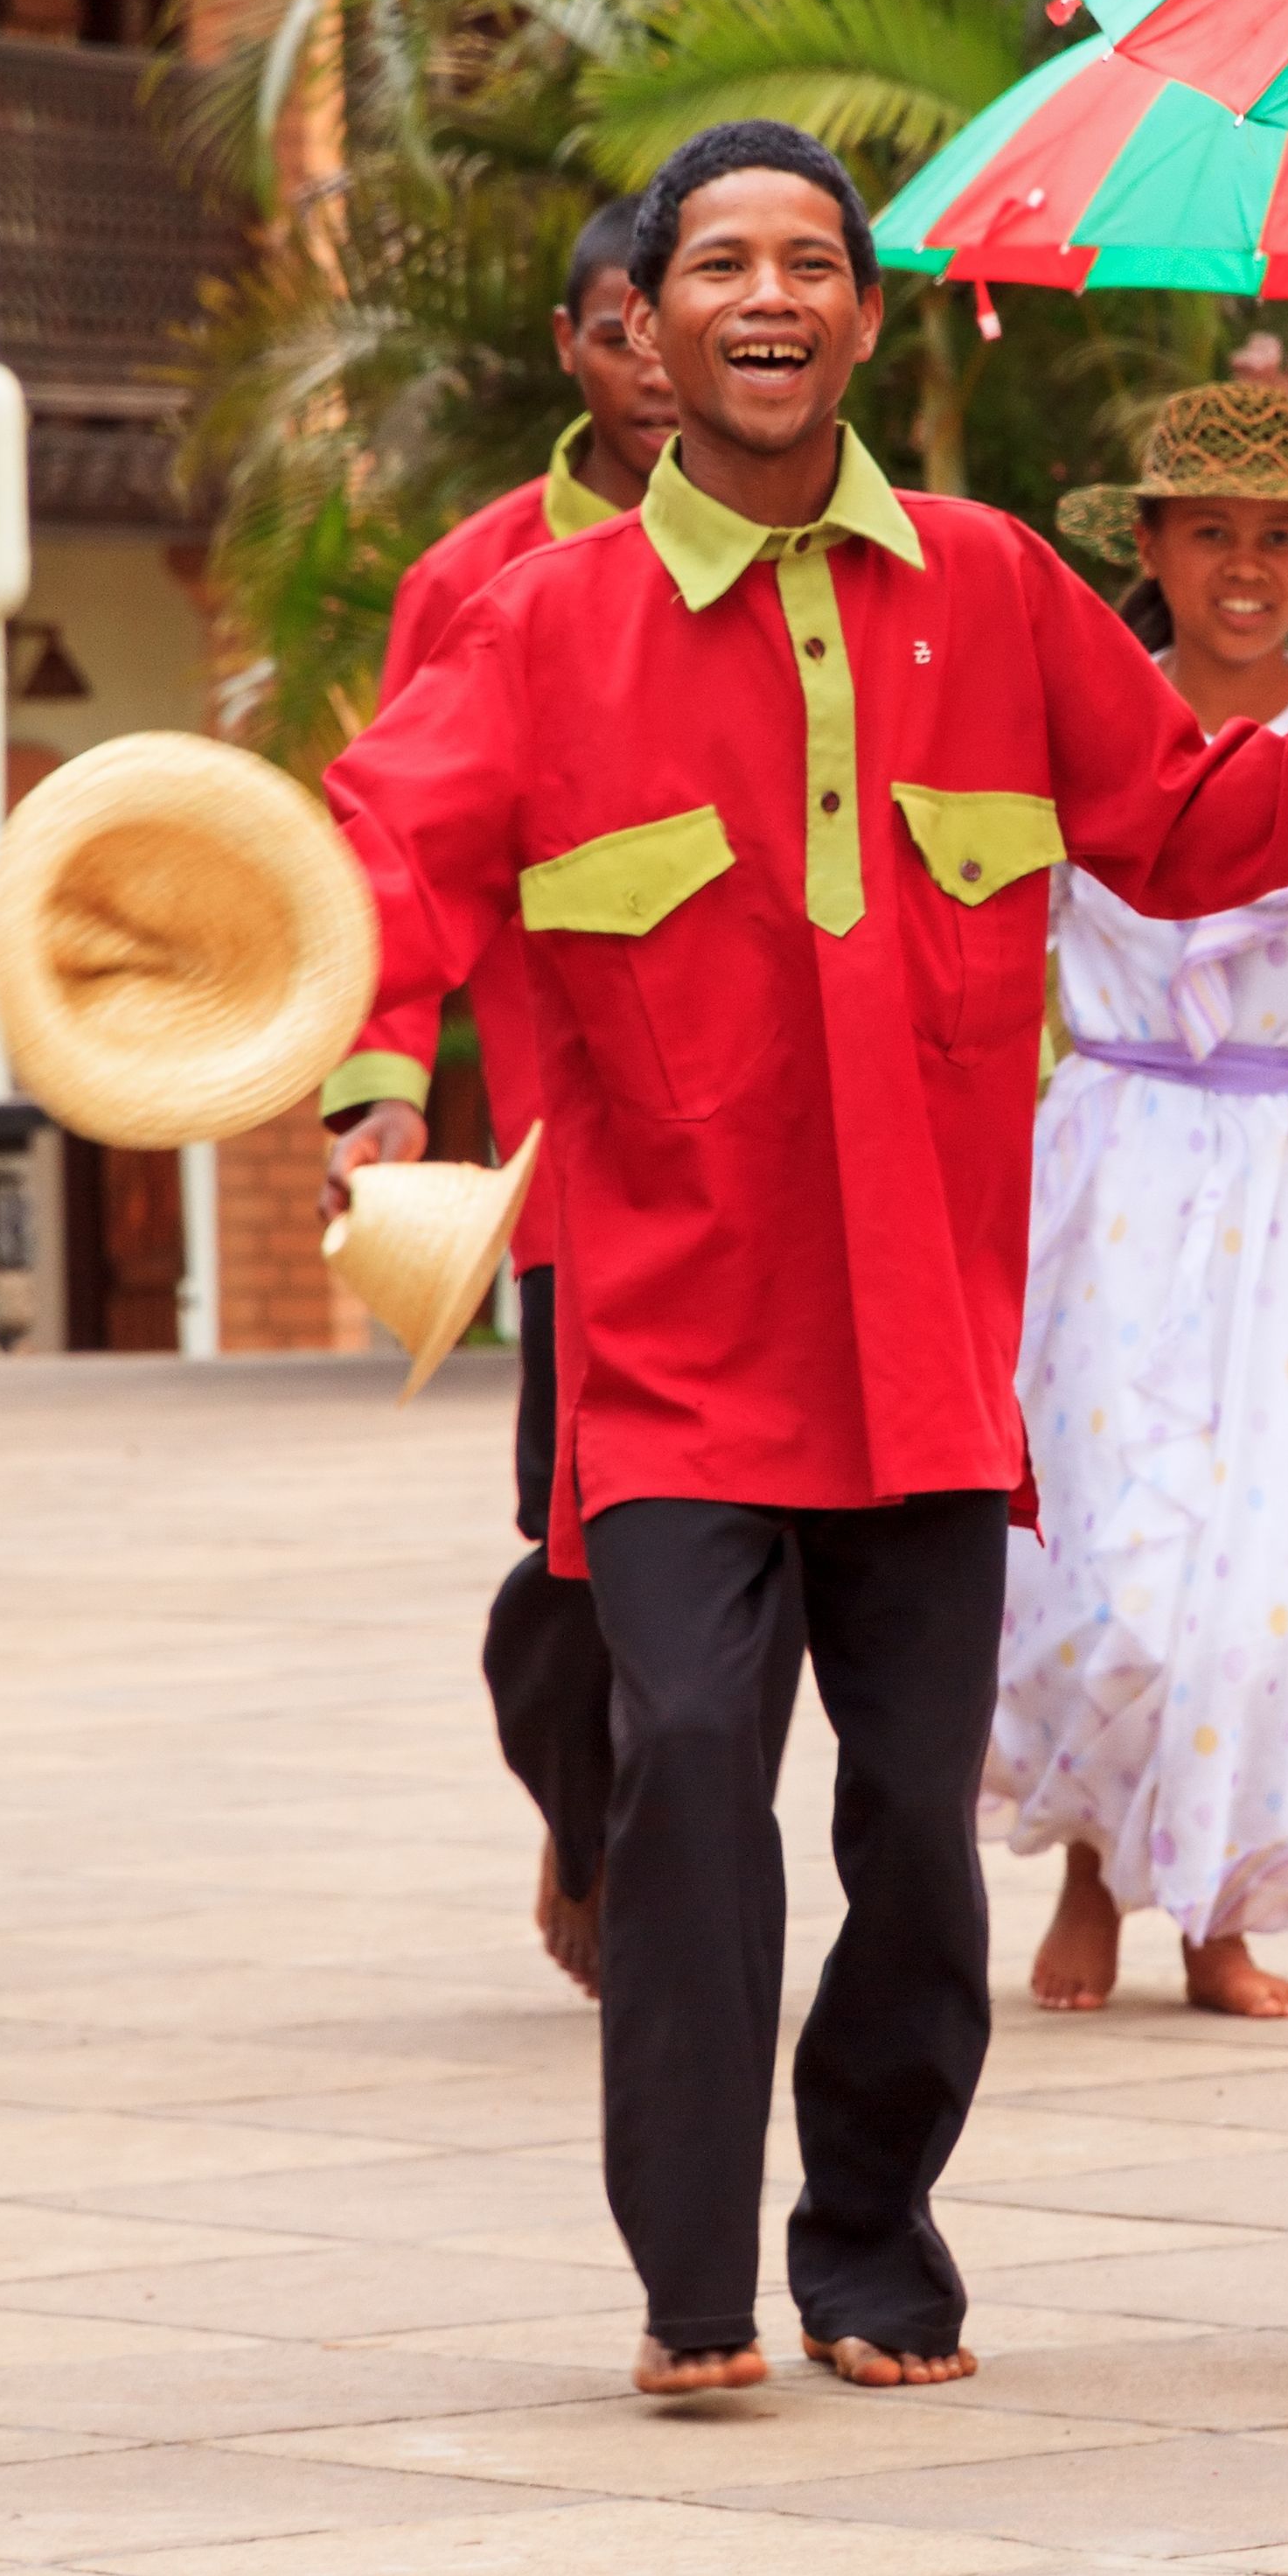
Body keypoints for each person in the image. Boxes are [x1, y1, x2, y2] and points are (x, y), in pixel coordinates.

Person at [317, 119, 1288, 2407]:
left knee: (916, 1828)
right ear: (661, 314)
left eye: (810, 260)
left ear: (864, 312)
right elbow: (384, 858)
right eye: (721, 262)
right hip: (678, 1342)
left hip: (928, 1347)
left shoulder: (997, 593)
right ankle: (697, 2278)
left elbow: (1200, 829)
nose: (767, 297)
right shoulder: (544, 622)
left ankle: (874, 2226)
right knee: (694, 1767)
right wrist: (368, 1084)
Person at [357, 205, 798, 2005]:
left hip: (773, 1155)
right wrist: (383, 1088)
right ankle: (582, 1794)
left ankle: (669, 1850)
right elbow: (392, 852)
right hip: (572, 1167)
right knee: (574, 1556)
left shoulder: (814, 551)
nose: (646, 357)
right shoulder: (475, 581)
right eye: (620, 324)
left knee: (738, 1564)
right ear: (581, 345)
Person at [990, 387, 1288, 2022]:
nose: (1247, 568)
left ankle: (1218, 1908)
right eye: (1212, 534)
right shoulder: (1082, 721)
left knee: (1270, 1569)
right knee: (1115, 1553)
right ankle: (1093, 1874)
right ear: (1151, 547)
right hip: (1115, 1161)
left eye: (1280, 537)